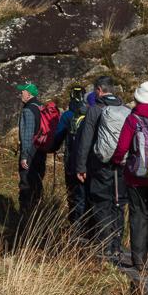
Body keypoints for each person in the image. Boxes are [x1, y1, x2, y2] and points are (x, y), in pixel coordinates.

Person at [111, 81, 148, 270]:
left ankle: (138, 259)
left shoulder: (133, 118)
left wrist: (116, 160)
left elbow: (122, 147)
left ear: (138, 98)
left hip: (135, 175)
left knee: (137, 214)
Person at [76, 76, 129, 264]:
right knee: (118, 204)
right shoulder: (125, 109)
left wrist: (81, 166)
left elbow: (86, 140)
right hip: (122, 165)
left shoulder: (95, 109)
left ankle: (104, 247)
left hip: (100, 165)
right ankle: (116, 247)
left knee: (101, 203)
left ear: (99, 90)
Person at [54, 86, 90, 230]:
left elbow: (58, 136)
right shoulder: (92, 113)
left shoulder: (68, 115)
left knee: (73, 194)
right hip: (90, 163)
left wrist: (50, 148)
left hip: (71, 162)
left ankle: (75, 225)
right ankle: (89, 227)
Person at [16, 81, 47, 216]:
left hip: (31, 151)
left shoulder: (28, 110)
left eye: (22, 92)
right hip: (41, 149)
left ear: (28, 94)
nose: (20, 94)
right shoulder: (41, 107)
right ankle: (38, 212)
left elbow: (27, 135)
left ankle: (25, 214)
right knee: (37, 180)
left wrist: (24, 156)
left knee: (26, 182)